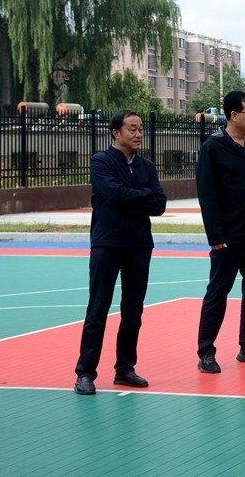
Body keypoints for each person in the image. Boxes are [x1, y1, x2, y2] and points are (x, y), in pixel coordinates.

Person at [74, 110, 167, 395]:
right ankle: (85, 373)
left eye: (141, 129)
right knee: (98, 310)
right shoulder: (101, 161)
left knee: (133, 311)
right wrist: (142, 193)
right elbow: (113, 196)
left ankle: (125, 369)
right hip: (108, 244)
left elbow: (159, 204)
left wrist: (132, 195)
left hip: (139, 245)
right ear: (116, 132)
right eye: (132, 129)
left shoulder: (147, 166)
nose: (139, 134)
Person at [195, 90, 245, 374]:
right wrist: (215, 235)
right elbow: (207, 194)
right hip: (229, 236)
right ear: (233, 115)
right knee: (218, 292)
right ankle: (206, 351)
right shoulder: (213, 147)